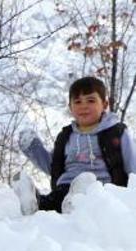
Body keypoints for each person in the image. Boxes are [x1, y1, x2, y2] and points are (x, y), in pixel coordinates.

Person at [13, 76, 135, 215]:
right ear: (70, 107)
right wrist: (33, 148)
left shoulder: (117, 133)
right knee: (53, 201)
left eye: (91, 100)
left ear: (105, 104)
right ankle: (33, 201)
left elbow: (132, 164)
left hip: (103, 190)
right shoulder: (66, 136)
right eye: (77, 102)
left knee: (87, 186)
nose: (83, 106)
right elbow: (52, 167)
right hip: (65, 188)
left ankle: (75, 204)